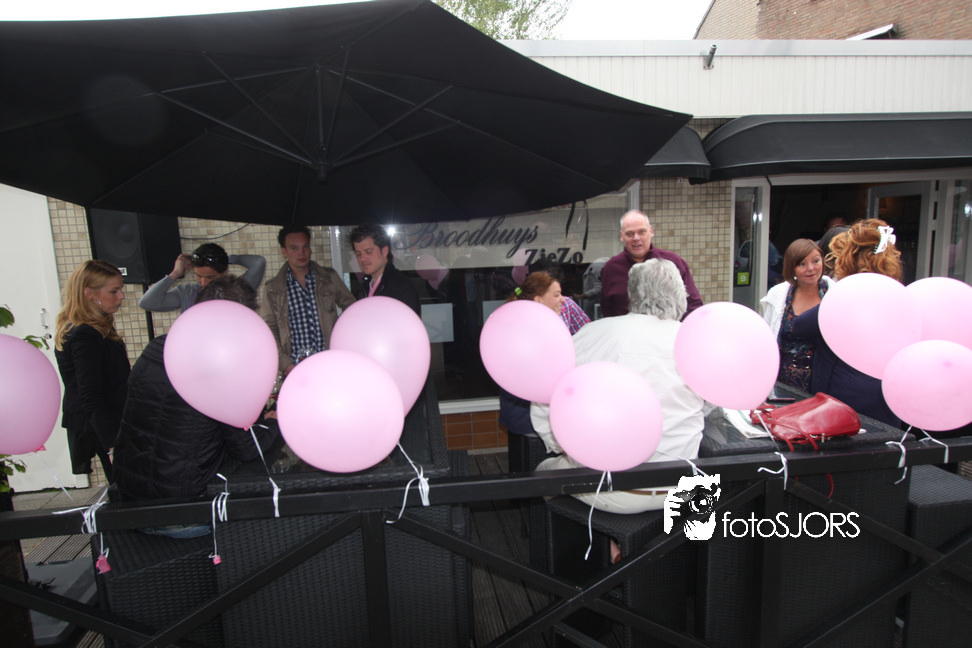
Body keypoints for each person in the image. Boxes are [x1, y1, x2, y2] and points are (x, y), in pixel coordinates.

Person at [532, 259, 706, 515]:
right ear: (681, 295)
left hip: (611, 490)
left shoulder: (595, 334)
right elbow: (709, 405)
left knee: (541, 474)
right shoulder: (695, 341)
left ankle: (564, 532)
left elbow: (544, 396)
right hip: (684, 488)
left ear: (632, 295)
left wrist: (562, 446)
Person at [112, 275, 281, 537]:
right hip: (182, 511)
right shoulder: (220, 367)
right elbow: (247, 448)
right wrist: (274, 422)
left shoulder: (156, 348)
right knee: (274, 519)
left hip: (129, 501)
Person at [792, 219, 903, 426]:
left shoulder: (847, 298)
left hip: (844, 404)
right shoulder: (899, 298)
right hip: (889, 400)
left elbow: (800, 326)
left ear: (847, 260)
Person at [54, 260, 130, 482]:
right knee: (125, 486)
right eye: (114, 291)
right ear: (89, 293)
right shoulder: (84, 334)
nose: (121, 296)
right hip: (100, 422)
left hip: (104, 417)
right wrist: (112, 444)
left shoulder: (94, 327)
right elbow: (90, 393)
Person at [261, 225, 356, 377]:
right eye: (294, 248)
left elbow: (351, 307)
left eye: (305, 246)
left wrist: (342, 342)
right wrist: (285, 364)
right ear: (284, 251)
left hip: (329, 364)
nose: (302, 252)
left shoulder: (328, 277)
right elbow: (268, 329)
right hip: (294, 369)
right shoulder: (273, 289)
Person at [498, 272, 583, 438]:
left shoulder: (545, 323)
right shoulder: (521, 329)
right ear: (538, 300)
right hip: (526, 417)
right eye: (556, 295)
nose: (563, 300)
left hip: (538, 414)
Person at [760, 239, 835, 391]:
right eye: (802, 264)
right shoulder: (778, 295)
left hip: (824, 379)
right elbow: (766, 340)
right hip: (783, 380)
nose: (811, 268)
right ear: (791, 268)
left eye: (816, 261)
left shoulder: (835, 294)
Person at [600, 210, 703, 318]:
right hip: (627, 328)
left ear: (651, 231)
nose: (636, 238)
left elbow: (694, 305)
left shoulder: (674, 262)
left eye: (641, 232)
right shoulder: (611, 268)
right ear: (622, 236)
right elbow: (608, 310)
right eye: (630, 234)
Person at [138, 242, 266, 312]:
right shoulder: (188, 293)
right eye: (198, 276)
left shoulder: (239, 289)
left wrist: (227, 259)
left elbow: (258, 262)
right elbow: (147, 303)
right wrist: (175, 274)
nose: (203, 283)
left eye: (210, 277)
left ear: (224, 271)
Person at [349, 224, 420, 315]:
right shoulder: (365, 283)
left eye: (368, 252)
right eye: (358, 254)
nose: (362, 258)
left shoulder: (401, 287)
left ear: (385, 251)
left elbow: (408, 322)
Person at [527, 257, 590, 334]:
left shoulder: (567, 304)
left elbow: (587, 333)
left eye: (543, 283)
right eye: (534, 281)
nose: (537, 286)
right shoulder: (523, 310)